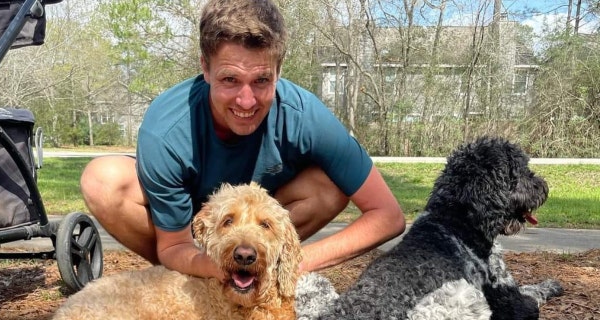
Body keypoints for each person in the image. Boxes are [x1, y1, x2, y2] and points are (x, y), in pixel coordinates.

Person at [80, 0, 405, 282]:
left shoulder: (306, 116)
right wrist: (208, 265)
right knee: (103, 180)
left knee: (331, 184)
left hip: (259, 230)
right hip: (188, 232)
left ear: (278, 71)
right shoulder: (164, 129)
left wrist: (288, 267)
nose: (246, 101)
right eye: (230, 79)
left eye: (261, 80)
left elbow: (388, 215)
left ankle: (257, 271)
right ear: (205, 68)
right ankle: (188, 283)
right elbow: (174, 245)